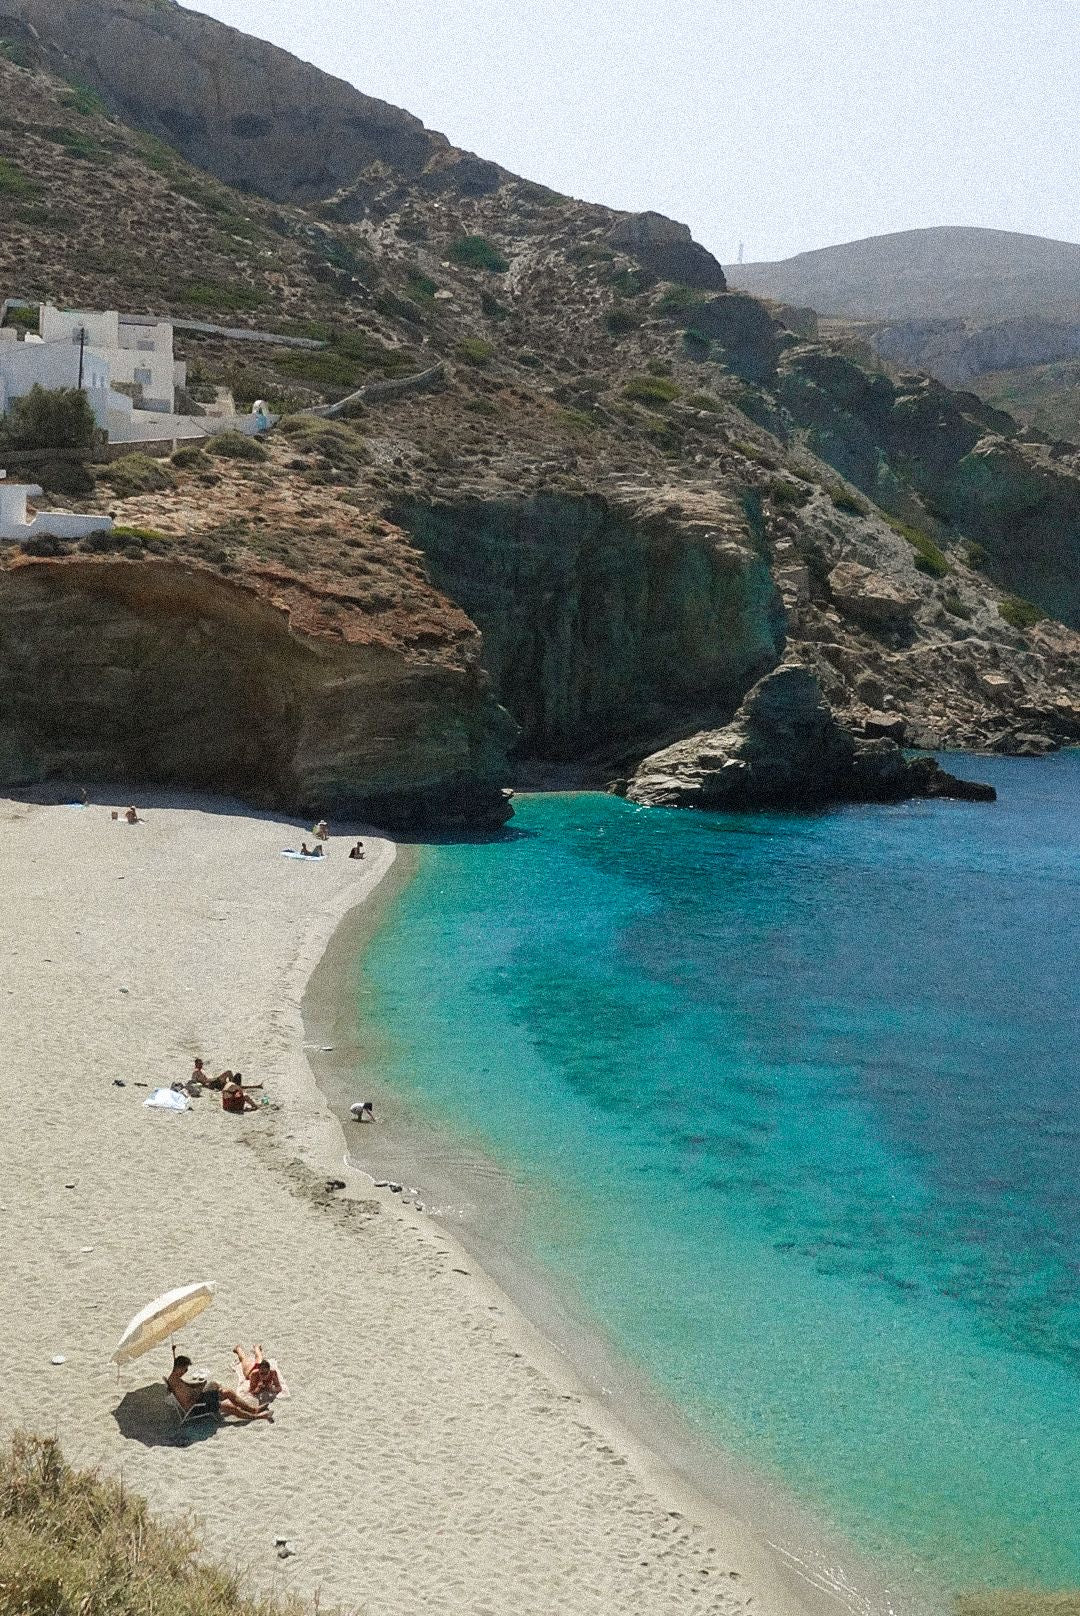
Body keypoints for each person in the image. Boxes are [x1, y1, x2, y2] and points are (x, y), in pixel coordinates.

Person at [167, 1350, 269, 1422]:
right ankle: (255, 1417)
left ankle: (253, 1409)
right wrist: (199, 1390)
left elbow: (187, 1387)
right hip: (195, 1408)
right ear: (178, 1367)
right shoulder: (175, 1384)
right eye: (185, 1369)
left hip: (198, 1399)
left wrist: (199, 1385)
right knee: (227, 1406)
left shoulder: (175, 1378)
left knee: (226, 1392)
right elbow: (189, 1402)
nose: (186, 1371)